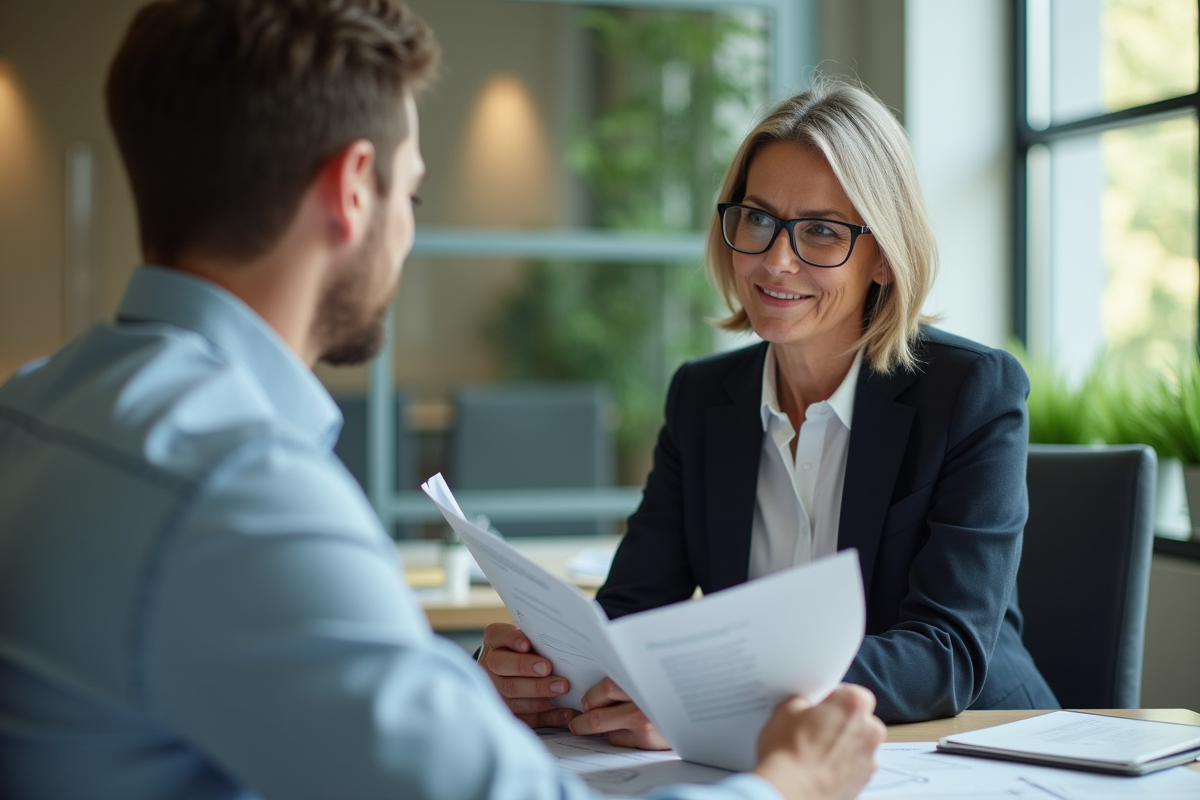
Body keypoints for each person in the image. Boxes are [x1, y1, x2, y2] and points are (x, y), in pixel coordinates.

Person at [0, 2, 886, 798]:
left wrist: (463, 681)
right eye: (412, 191)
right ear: (353, 190)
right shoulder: (240, 490)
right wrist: (789, 786)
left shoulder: (34, 409)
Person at [480, 79, 1060, 748]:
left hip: (972, 748)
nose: (775, 260)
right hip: (775, 767)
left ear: (882, 259)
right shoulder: (702, 401)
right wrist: (535, 671)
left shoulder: (969, 393)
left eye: (820, 231)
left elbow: (943, 655)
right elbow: (633, 612)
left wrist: (709, 696)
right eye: (757, 220)